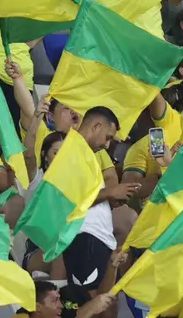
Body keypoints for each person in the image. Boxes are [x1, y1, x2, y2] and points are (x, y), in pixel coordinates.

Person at [62, 108, 138, 295]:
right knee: (92, 302)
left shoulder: (88, 154)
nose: (107, 144)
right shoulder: (69, 151)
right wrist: (110, 192)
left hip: (99, 238)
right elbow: (68, 198)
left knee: (106, 303)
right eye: (108, 137)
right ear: (96, 126)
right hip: (85, 236)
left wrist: (111, 199)